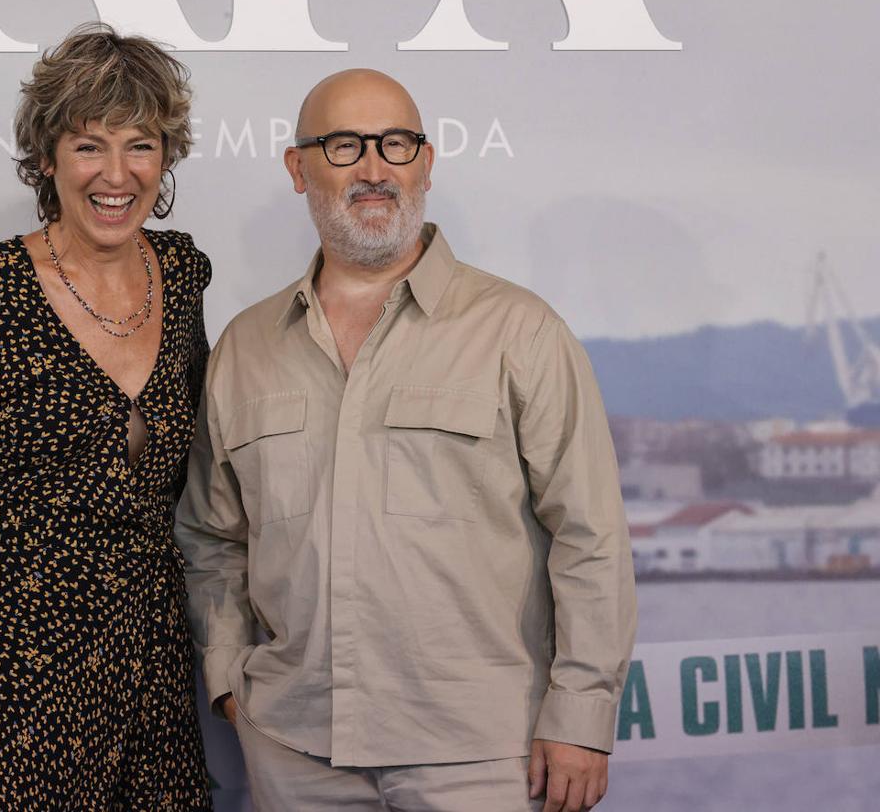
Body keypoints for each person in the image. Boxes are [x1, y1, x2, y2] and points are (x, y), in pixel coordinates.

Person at [175, 68, 637, 812]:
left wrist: (582, 716)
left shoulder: (520, 331)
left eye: (396, 144)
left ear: (425, 161)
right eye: (344, 145)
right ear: (299, 168)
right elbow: (210, 536)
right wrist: (230, 679)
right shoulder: (245, 347)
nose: (374, 168)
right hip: (294, 748)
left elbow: (591, 536)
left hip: (484, 752)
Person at [0, 24, 212, 811]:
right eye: (90, 145)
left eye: (141, 144)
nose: (117, 174)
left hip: (149, 661)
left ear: (166, 157)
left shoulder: (184, 275)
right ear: (47, 157)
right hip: (11, 674)